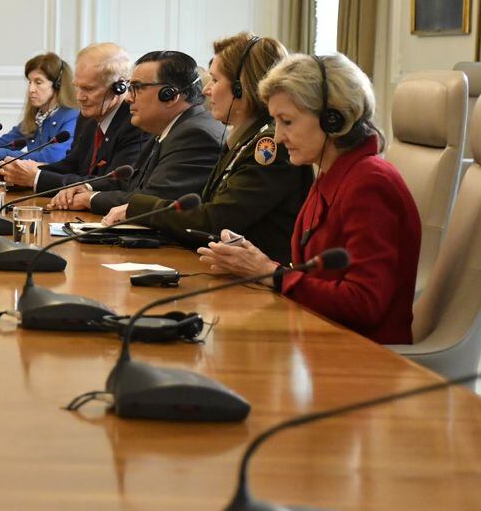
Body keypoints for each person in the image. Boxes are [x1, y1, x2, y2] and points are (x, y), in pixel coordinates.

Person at [198, 53, 421, 346]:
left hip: (360, 357)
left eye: (287, 121)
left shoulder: (369, 183)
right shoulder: (331, 172)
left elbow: (364, 303)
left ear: (332, 119)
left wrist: (269, 272)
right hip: (318, 337)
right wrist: (251, 261)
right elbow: (318, 274)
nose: (277, 138)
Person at [98, 34, 312, 261]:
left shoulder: (268, 146)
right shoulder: (244, 140)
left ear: (241, 88)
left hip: (257, 285)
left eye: (216, 80)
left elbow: (216, 221)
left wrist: (137, 208)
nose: (206, 90)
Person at [51, 49, 224, 214]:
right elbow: (129, 183)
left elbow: (152, 200)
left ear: (169, 95)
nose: (128, 97)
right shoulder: (169, 129)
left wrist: (90, 199)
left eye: (137, 88)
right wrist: (87, 188)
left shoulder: (195, 136)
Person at [0, 43, 149, 192]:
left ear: (119, 87)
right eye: (77, 86)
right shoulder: (88, 117)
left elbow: (115, 184)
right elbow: (73, 164)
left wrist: (36, 178)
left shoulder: (136, 124)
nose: (79, 97)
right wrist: (22, 174)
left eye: (88, 89)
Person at [0, 53, 77, 163]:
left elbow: (51, 157)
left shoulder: (72, 117)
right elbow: (6, 143)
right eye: (30, 82)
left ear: (58, 85)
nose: (31, 89)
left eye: (38, 82)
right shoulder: (37, 116)